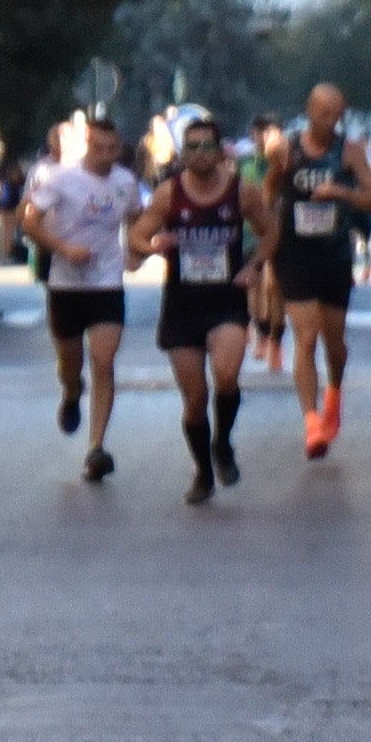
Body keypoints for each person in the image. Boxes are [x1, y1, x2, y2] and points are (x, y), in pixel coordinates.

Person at [127, 114, 273, 505]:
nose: (200, 154)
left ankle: (222, 444)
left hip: (225, 300)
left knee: (226, 377)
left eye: (207, 146)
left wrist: (255, 265)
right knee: (194, 398)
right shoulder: (169, 194)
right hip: (182, 305)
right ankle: (203, 470)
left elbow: (271, 230)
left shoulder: (241, 192)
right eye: (192, 147)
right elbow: (138, 235)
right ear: (183, 152)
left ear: (220, 150)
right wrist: (154, 244)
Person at [19, 113, 143, 483]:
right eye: (98, 147)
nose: (105, 155)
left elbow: (135, 217)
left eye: (112, 148)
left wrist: (136, 250)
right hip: (66, 284)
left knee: (103, 361)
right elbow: (29, 222)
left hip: (107, 283)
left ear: (118, 148)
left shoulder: (125, 181)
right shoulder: (61, 179)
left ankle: (95, 448)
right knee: (70, 364)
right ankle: (72, 391)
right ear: (87, 145)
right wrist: (63, 248)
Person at [272, 83, 371, 460]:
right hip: (295, 253)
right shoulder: (286, 149)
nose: (330, 121)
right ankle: (311, 424)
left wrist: (342, 193)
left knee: (333, 342)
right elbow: (266, 193)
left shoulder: (349, 152)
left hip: (335, 255)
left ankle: (333, 393)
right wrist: (263, 244)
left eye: (337, 115)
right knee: (305, 337)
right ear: (309, 109)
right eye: (323, 113)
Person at [243, 113, 289, 372]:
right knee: (256, 286)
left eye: (269, 133)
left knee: (276, 286)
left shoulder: (286, 163)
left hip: (281, 230)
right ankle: (261, 331)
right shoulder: (245, 163)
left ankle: (276, 340)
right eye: (259, 133)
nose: (264, 138)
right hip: (252, 233)